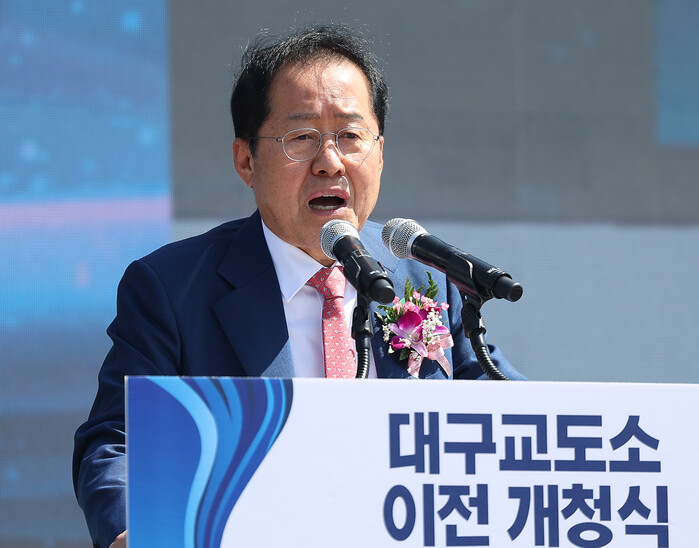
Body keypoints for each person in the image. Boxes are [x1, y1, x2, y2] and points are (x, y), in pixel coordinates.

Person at [73, 23, 525, 548]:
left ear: (380, 153)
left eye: (351, 136)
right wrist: (130, 529)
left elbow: (510, 419)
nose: (330, 162)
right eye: (302, 138)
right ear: (246, 160)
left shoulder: (425, 276)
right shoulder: (172, 288)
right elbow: (118, 441)